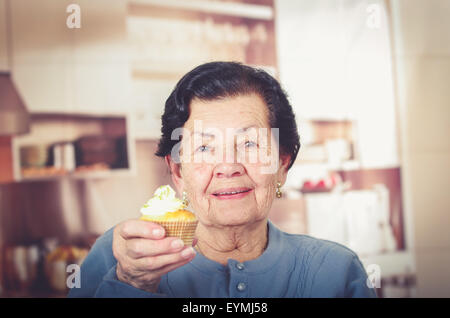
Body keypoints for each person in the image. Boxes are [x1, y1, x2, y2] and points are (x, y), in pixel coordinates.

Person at [68, 62, 377, 298]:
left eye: (250, 144)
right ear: (177, 171)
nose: (227, 167)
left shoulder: (336, 272)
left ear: (282, 163)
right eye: (204, 147)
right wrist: (132, 284)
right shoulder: (122, 254)